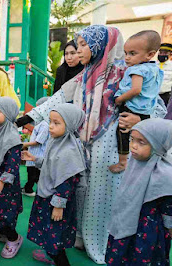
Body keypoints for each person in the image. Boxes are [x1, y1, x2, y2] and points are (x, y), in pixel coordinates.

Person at [15, 25, 166, 263]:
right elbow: (60, 97)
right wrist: (30, 117)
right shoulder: (86, 73)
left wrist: (141, 119)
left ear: (100, 47)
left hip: (110, 144)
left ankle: (101, 244)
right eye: (79, 44)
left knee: (102, 195)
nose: (79, 50)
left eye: (85, 45)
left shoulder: (124, 70)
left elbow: (154, 103)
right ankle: (79, 237)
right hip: (83, 143)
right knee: (81, 192)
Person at [23, 103, 86, 265]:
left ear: (70, 124)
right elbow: (52, 164)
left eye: (56, 123)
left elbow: (67, 180)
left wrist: (59, 205)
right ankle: (52, 254)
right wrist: (35, 159)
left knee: (54, 234)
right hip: (48, 197)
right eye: (50, 121)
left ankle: (59, 260)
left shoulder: (69, 150)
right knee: (50, 232)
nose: (50, 127)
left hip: (56, 201)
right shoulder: (57, 141)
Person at [106, 118, 172, 265]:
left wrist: (169, 228)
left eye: (141, 142)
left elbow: (168, 208)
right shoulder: (135, 164)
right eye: (132, 139)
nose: (133, 146)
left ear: (158, 145)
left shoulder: (165, 175)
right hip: (125, 222)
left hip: (147, 232)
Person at [109, 30, 163, 173]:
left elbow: (136, 90)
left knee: (122, 133)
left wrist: (119, 99)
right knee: (143, 137)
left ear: (150, 54)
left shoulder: (138, 69)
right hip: (146, 110)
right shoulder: (155, 69)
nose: (127, 58)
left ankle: (122, 162)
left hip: (132, 108)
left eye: (132, 54)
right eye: (126, 53)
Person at [0, 96, 23, 259]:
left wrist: (1, 181)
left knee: (4, 213)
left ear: (7, 114)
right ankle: (3, 232)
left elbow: (13, 166)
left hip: (6, 186)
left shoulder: (12, 137)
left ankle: (14, 238)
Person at [21, 97, 50, 197]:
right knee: (33, 174)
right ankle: (29, 188)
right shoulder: (41, 122)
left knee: (34, 175)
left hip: (37, 154)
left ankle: (30, 189)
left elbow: (38, 141)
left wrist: (24, 144)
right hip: (34, 154)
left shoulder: (45, 125)